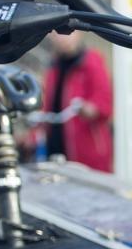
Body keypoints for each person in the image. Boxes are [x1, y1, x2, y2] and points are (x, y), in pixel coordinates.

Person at [38, 31, 113, 172]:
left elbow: (105, 104)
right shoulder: (52, 67)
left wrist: (88, 109)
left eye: (67, 32)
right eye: (57, 33)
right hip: (56, 150)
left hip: (88, 156)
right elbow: (47, 106)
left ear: (78, 33)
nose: (62, 38)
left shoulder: (92, 61)